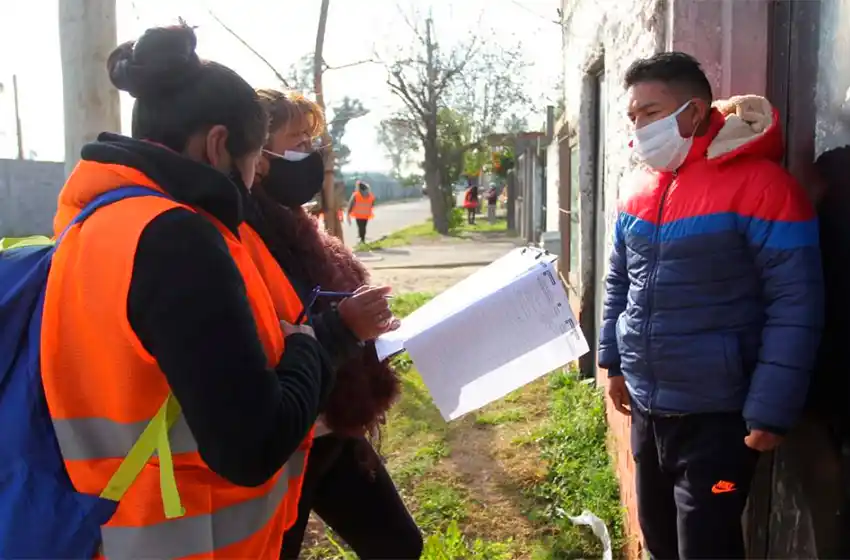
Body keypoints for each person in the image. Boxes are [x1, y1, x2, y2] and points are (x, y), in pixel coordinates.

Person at [40, 25, 334, 558]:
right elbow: (252, 446)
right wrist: (307, 349)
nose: (250, 184)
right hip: (197, 540)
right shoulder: (177, 239)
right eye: (251, 164)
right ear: (219, 144)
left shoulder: (89, 222)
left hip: (116, 529)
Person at [600, 52, 823, 559]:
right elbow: (621, 283)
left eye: (651, 113)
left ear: (695, 112)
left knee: (706, 546)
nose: (639, 128)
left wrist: (772, 407)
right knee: (658, 538)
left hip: (718, 418)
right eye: (633, 117)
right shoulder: (638, 191)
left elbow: (795, 301)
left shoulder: (763, 188)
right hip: (648, 410)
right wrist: (612, 361)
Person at [247, 89, 423, 559]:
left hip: (335, 425)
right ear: (257, 155)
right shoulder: (238, 231)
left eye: (313, 139)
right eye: (298, 140)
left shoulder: (297, 223)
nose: (312, 153)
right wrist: (342, 327)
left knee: (399, 545)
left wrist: (367, 329)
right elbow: (271, 335)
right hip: (289, 438)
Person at [348, 179, 375, 244]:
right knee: (364, 226)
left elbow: (351, 204)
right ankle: (362, 238)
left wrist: (349, 211)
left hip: (358, 214)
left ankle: (361, 239)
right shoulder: (370, 195)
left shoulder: (356, 195)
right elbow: (372, 204)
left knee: (360, 227)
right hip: (366, 214)